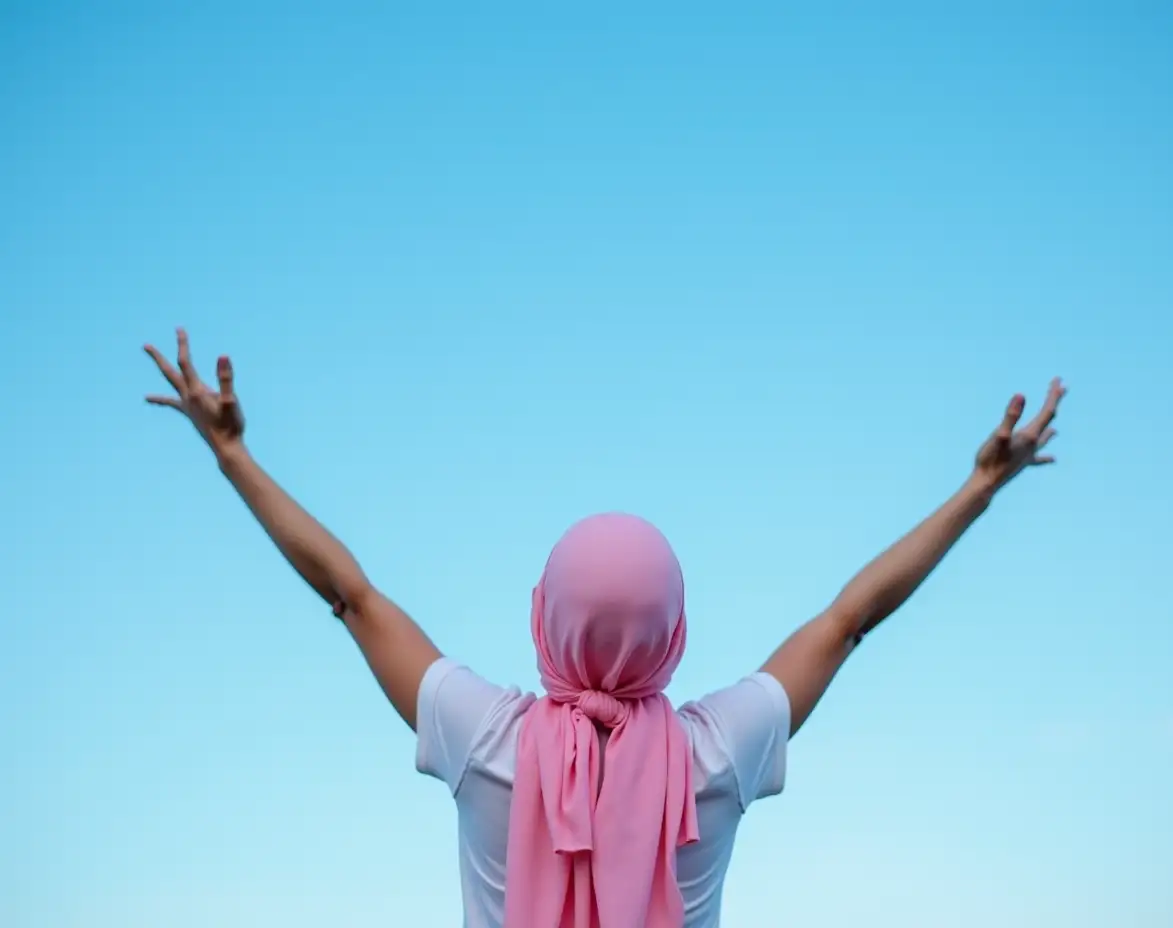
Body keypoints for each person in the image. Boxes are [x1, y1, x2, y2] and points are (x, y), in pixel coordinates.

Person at [144, 329, 1066, 928]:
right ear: (673, 635)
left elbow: (350, 595)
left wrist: (232, 456)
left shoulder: (481, 734)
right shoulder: (722, 751)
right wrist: (980, 488)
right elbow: (851, 618)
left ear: (544, 616)